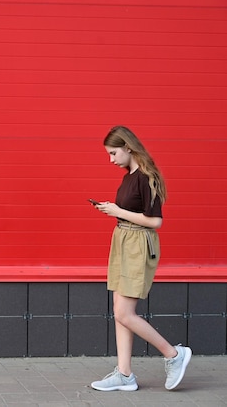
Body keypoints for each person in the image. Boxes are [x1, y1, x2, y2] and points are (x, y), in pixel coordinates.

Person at [89, 126, 191, 391]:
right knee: (119, 312)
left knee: (125, 312)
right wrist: (114, 211)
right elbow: (131, 212)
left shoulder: (146, 177)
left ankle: (174, 355)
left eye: (113, 153)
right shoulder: (129, 176)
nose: (111, 159)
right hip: (123, 239)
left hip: (137, 243)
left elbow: (155, 220)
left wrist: (116, 210)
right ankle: (124, 374)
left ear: (128, 147)